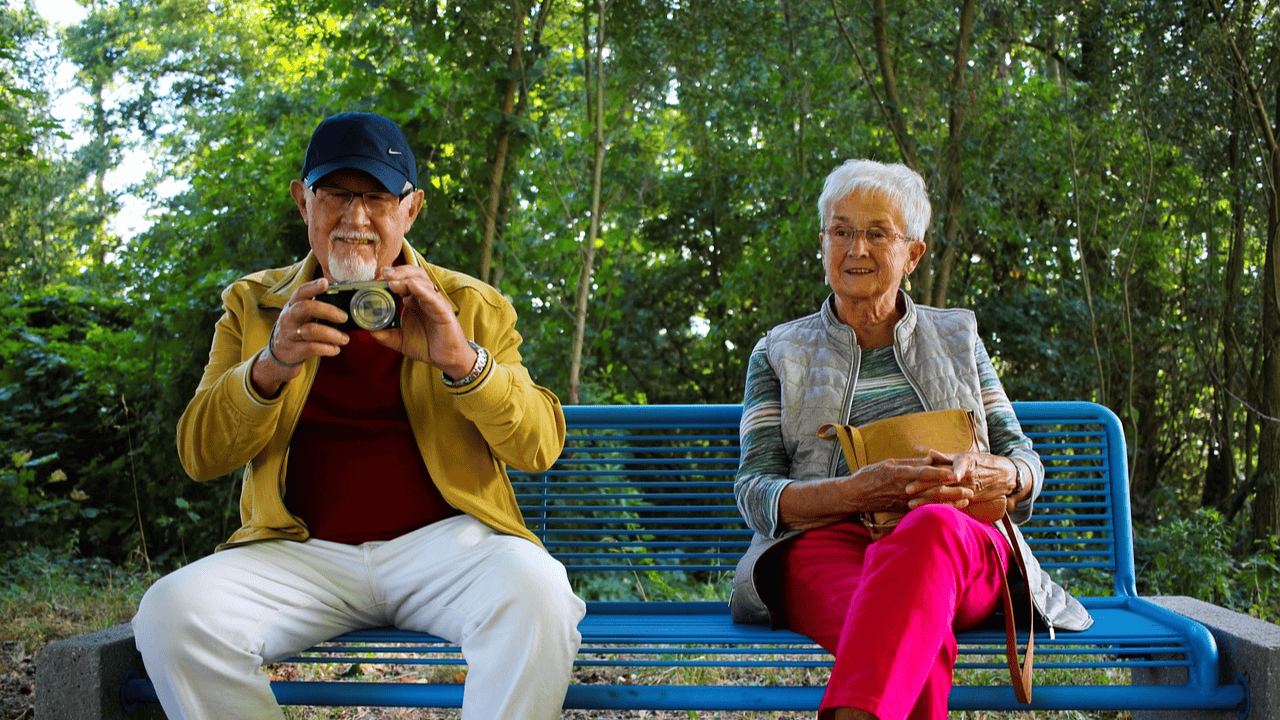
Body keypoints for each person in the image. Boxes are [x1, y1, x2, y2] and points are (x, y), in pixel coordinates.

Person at [133, 112, 585, 720]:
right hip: (301, 555)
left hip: (446, 550)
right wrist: (269, 365)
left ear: (411, 209)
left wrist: (462, 360)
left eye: (374, 196)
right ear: (303, 202)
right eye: (336, 195)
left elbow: (539, 447)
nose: (355, 219)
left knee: (539, 595)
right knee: (172, 613)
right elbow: (200, 454)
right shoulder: (257, 303)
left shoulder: (469, 304)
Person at [729, 159, 1093, 720]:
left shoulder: (958, 336)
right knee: (907, 630)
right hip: (827, 543)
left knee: (929, 532)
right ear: (823, 241)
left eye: (877, 233)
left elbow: (1025, 462)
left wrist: (997, 473)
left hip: (956, 540)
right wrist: (854, 494)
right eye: (842, 231)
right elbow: (755, 492)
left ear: (913, 254)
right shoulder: (778, 351)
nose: (856, 250)